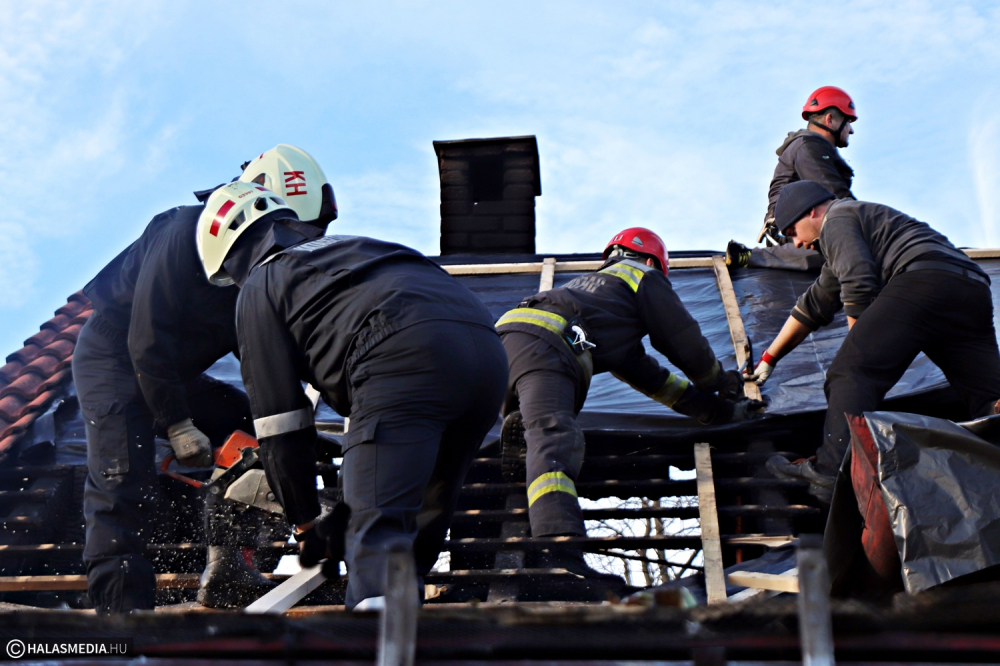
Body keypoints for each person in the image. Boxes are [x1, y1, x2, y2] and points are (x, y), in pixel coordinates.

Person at [194, 181, 508, 610]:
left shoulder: (262, 281)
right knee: (418, 522)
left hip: (402, 358)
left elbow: (280, 424)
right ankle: (403, 621)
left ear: (232, 255)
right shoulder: (360, 247)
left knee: (373, 527)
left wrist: (304, 520)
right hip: (487, 357)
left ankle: (375, 625)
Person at [74, 144, 337, 613]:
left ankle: (232, 568)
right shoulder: (181, 233)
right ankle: (119, 623)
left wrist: (296, 427)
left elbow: (264, 358)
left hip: (177, 374)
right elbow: (146, 339)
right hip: (115, 361)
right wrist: (176, 423)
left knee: (257, 435)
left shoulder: (260, 267)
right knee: (121, 482)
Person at [495, 227, 762, 578]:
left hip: (501, 344)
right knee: (556, 439)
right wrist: (723, 383)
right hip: (550, 347)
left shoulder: (600, 304)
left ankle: (518, 432)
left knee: (536, 430)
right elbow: (681, 339)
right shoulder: (643, 275)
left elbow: (656, 381)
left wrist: (713, 411)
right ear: (653, 260)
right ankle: (562, 554)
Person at [745, 180, 1000, 502]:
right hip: (970, 287)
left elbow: (858, 280)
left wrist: (860, 350)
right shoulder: (856, 230)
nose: (794, 244)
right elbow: (813, 305)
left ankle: (829, 471)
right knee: (988, 396)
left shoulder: (837, 217)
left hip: (924, 280)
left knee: (850, 373)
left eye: (792, 231)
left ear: (811, 211)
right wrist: (769, 359)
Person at [727, 86, 858, 272]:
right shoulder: (809, 146)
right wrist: (869, 223)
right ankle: (747, 256)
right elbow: (837, 198)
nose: (851, 130)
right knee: (851, 250)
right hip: (796, 235)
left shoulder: (812, 147)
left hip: (799, 231)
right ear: (830, 120)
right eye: (848, 122)